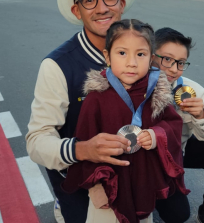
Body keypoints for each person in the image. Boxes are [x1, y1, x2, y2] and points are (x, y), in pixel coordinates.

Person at [25, 0, 140, 223]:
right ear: (77, 11)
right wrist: (84, 150)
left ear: (121, 4)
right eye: (89, 0)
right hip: (81, 174)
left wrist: (198, 103)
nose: (102, 8)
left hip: (129, 164)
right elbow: (36, 141)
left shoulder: (138, 48)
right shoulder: (58, 65)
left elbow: (167, 80)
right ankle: (63, 202)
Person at [62, 19, 189, 223]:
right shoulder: (97, 96)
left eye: (141, 54)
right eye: (122, 53)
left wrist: (156, 135)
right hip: (108, 184)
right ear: (107, 56)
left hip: (143, 181)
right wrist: (95, 188)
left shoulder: (157, 91)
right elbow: (85, 143)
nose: (132, 62)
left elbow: (173, 125)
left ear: (151, 59)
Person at [152, 28, 204, 223]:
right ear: (150, 55)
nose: (174, 68)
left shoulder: (192, 90)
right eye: (167, 59)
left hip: (176, 153)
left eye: (180, 63)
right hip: (143, 156)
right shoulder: (133, 82)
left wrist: (201, 114)